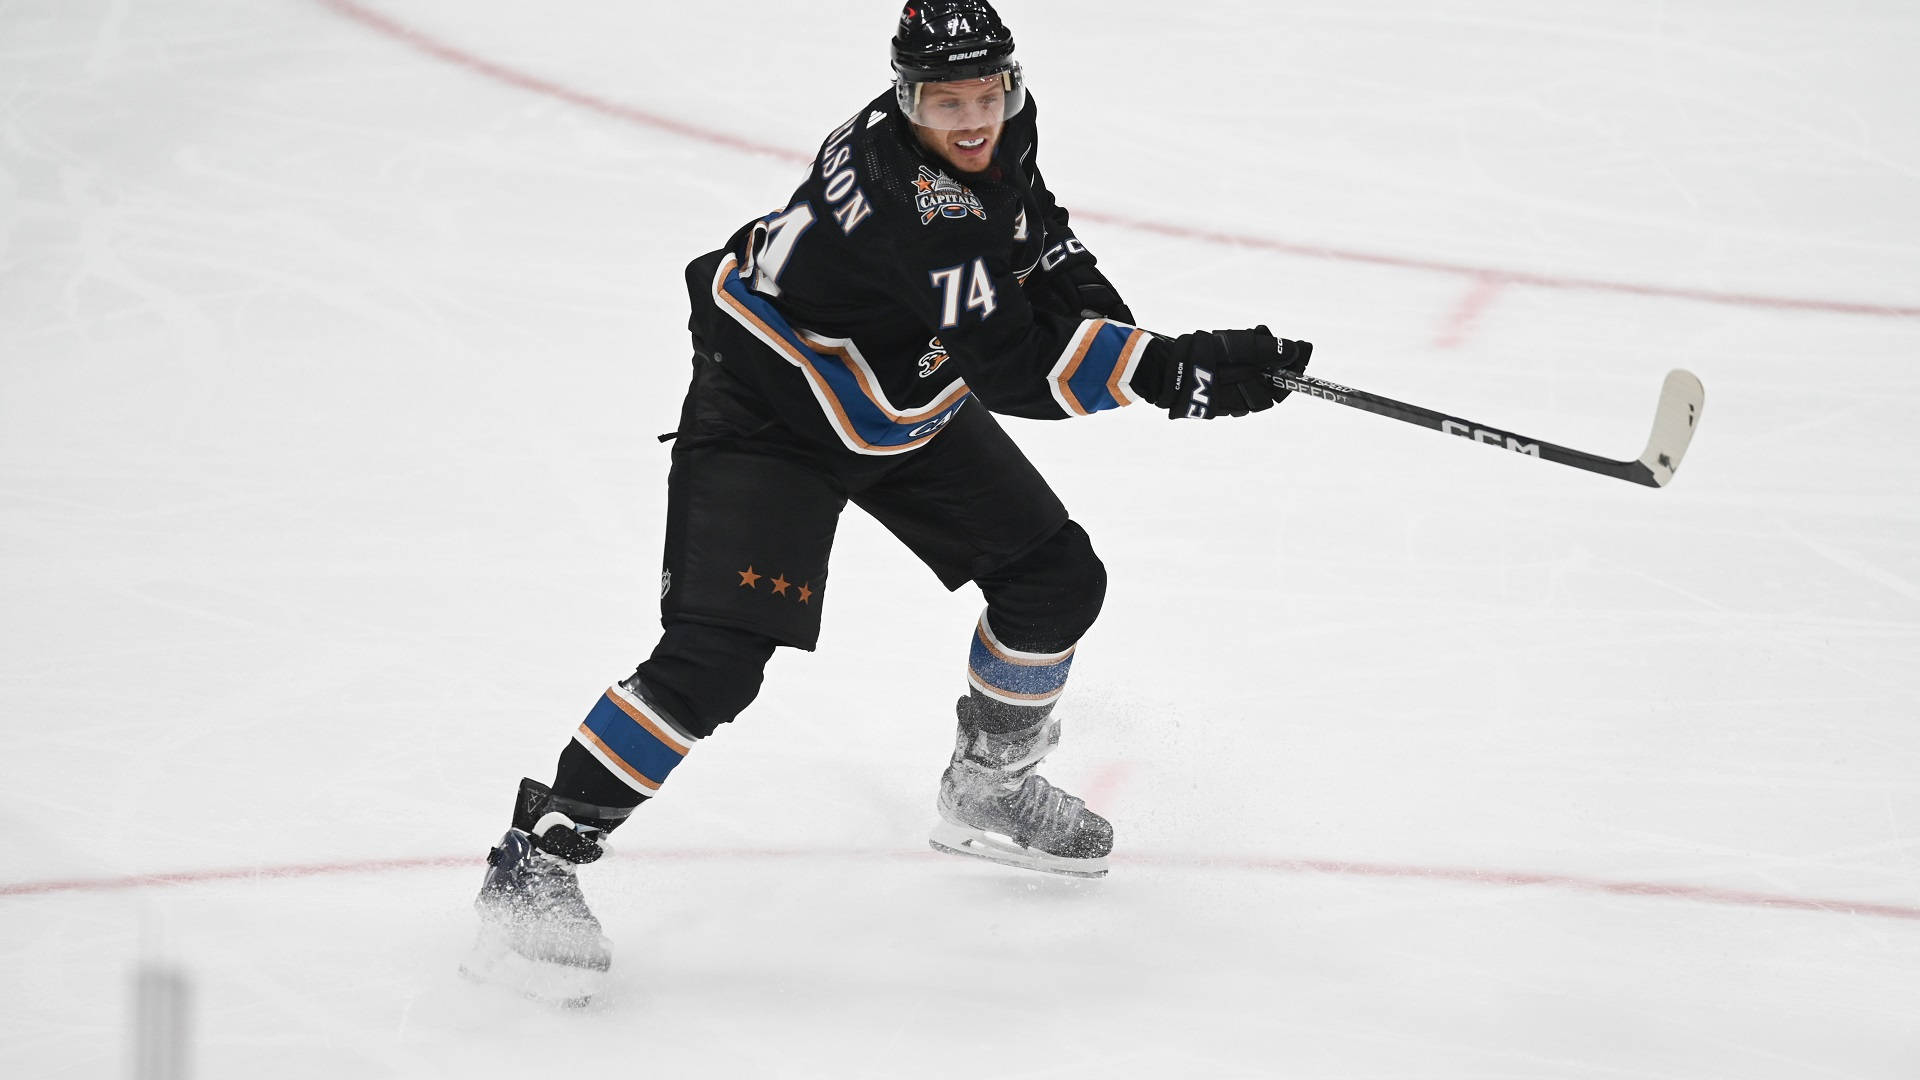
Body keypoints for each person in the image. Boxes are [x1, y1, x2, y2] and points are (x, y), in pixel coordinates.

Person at [460, 0, 1313, 1005]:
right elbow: (1012, 370)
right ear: (906, 96)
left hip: (892, 389)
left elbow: (1037, 236)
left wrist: (1116, 328)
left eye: (983, 93)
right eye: (943, 100)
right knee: (714, 662)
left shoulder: (995, 132)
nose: (969, 119)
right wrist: (1174, 375)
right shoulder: (916, 201)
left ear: (1009, 82)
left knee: (1053, 579)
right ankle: (539, 856)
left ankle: (986, 785)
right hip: (772, 412)